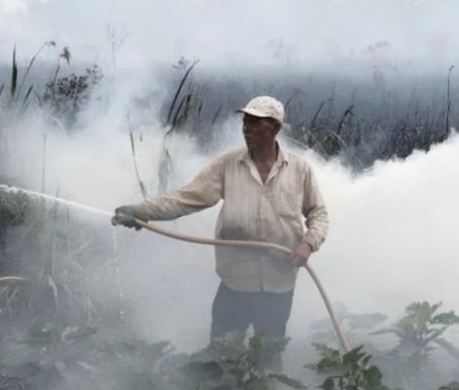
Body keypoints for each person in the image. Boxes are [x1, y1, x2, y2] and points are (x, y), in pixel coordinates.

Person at [112, 95, 329, 366]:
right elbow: (186, 198)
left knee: (269, 356)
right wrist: (141, 211)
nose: (246, 128)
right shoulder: (228, 166)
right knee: (220, 355)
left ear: (273, 128)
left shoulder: (299, 170)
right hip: (235, 282)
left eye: (254, 123)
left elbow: (318, 214)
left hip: (279, 284)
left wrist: (308, 243)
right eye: (245, 122)